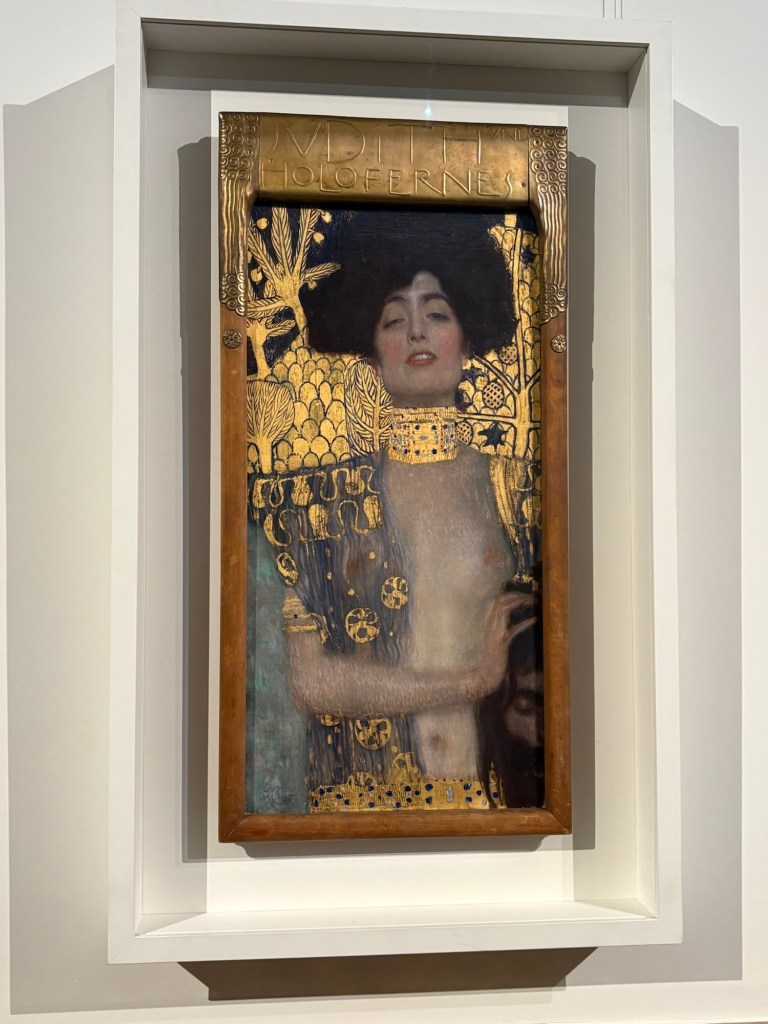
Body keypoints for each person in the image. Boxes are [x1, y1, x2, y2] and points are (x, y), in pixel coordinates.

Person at [254, 208, 542, 811]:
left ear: (468, 340)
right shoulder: (320, 501)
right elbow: (309, 681)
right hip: (355, 805)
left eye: (436, 314)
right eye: (394, 318)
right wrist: (471, 680)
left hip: (490, 801)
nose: (416, 333)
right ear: (371, 351)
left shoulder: (517, 489)